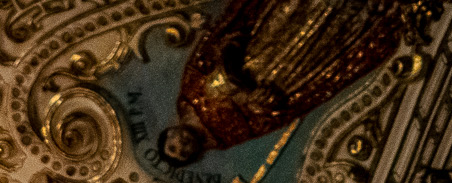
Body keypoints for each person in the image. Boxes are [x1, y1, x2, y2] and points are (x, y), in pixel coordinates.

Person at [156, 0, 420, 165]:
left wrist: (225, 54)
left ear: (169, 133)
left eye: (173, 146)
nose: (182, 146)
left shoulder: (189, 94)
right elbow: (275, 115)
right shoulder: (228, 135)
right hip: (288, 74)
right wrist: (259, 102)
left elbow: (208, 51)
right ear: (195, 154)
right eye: (183, 153)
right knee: (328, 36)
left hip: (260, 44)